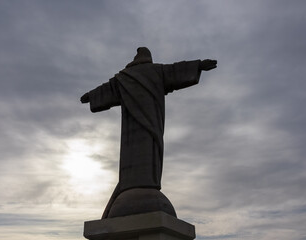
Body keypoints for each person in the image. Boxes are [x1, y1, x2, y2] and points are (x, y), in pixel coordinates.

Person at [81, 47, 217, 218]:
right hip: (151, 124)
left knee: (138, 154)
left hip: (132, 131)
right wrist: (199, 65)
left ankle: (136, 188)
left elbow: (107, 89)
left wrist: (90, 96)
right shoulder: (153, 72)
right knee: (149, 153)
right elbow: (175, 71)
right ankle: (139, 188)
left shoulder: (125, 77)